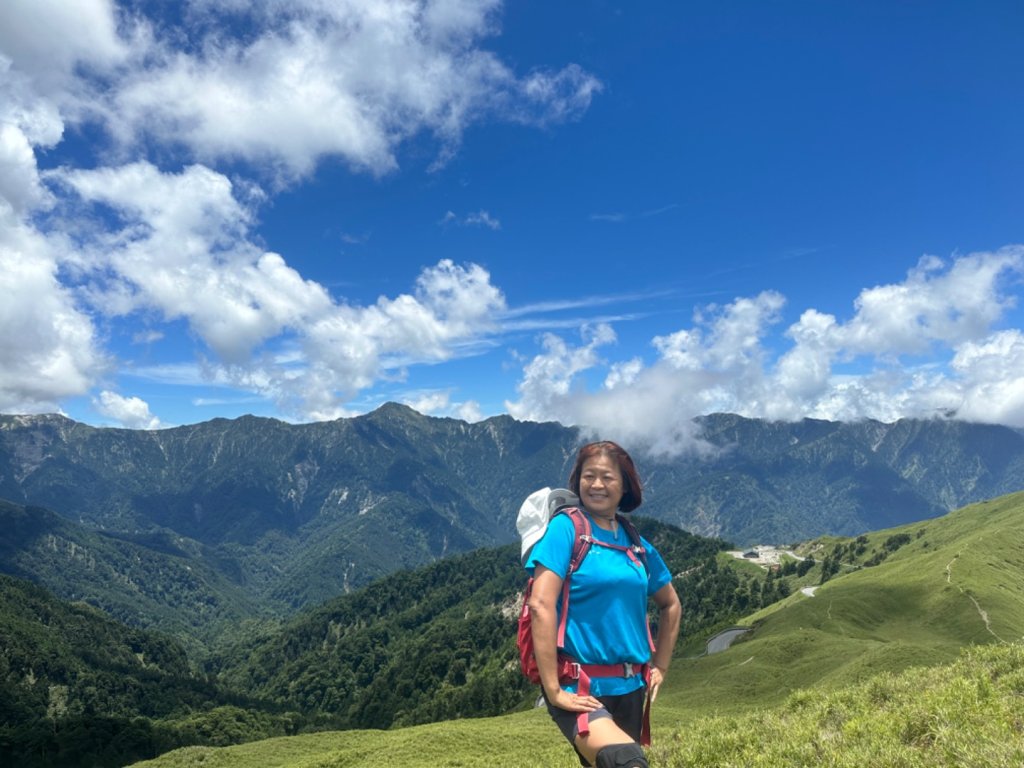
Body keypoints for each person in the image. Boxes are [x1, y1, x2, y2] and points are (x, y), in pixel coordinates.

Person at [525, 441, 682, 768]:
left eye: (607, 477)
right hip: (579, 686)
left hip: (632, 688)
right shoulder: (566, 529)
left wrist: (661, 667)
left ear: (624, 486)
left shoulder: (635, 543)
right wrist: (553, 690)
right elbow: (541, 604)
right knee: (624, 760)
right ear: (577, 481)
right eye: (589, 476)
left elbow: (671, 604)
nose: (596, 485)